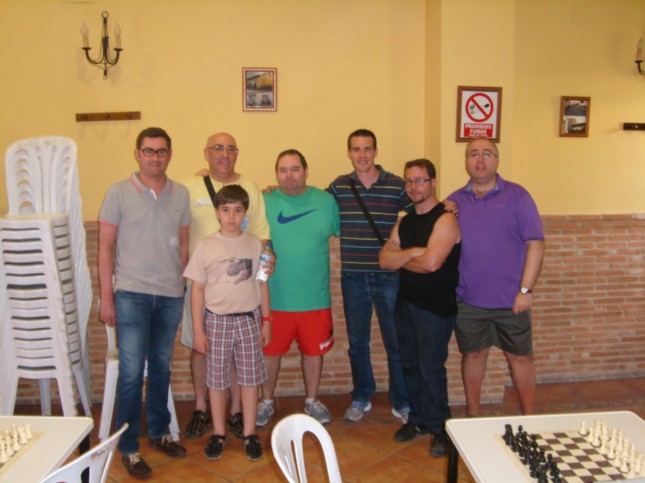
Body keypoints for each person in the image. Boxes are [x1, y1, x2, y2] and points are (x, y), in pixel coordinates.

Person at [98, 127, 189, 479]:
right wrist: (107, 298)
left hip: (170, 295)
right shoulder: (118, 192)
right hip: (131, 295)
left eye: (161, 151)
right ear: (137, 154)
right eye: (148, 151)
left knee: (162, 367)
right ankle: (128, 446)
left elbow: (183, 244)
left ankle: (159, 432)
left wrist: (183, 286)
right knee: (132, 373)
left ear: (170, 154)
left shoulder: (180, 193)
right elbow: (105, 249)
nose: (155, 157)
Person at [182, 132, 270, 439]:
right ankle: (201, 408)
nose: (224, 153)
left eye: (230, 148)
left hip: (243, 291)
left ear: (237, 153)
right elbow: (180, 230)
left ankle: (235, 412)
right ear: (206, 152)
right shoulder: (190, 187)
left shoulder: (250, 188)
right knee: (201, 347)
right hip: (202, 287)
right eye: (217, 148)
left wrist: (265, 264)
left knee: (239, 356)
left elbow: (262, 234)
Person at [448, 138, 545, 417]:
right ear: (466, 161)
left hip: (512, 301)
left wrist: (525, 290)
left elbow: (536, 244)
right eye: (473, 154)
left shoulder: (518, 196)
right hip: (469, 300)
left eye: (487, 153)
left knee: (520, 358)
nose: (480, 160)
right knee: (473, 355)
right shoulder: (454, 201)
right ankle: (473, 416)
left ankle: (529, 418)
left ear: (497, 160)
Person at [379, 159, 461, 458]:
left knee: (431, 368)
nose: (414, 186)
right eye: (409, 181)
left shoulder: (446, 219)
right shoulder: (405, 222)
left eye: (420, 180)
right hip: (406, 304)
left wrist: (401, 258)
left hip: (435, 309)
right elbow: (384, 261)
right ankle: (418, 420)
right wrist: (413, 252)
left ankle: (441, 429)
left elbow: (432, 264)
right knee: (410, 365)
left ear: (433, 182)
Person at [328, 129, 411, 423]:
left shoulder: (396, 185)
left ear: (376, 151)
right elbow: (312, 203)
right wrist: (276, 189)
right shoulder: (339, 186)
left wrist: (449, 206)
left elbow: (421, 209)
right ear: (349, 153)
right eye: (356, 149)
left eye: (367, 149)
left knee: (396, 343)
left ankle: (402, 400)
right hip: (353, 276)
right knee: (358, 343)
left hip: (389, 276)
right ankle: (362, 395)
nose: (362, 155)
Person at [256, 149, 340, 426]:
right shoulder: (264, 201)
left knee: (313, 353)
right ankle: (266, 402)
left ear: (306, 171)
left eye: (295, 169)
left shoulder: (326, 202)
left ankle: (312, 400)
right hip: (274, 299)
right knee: (270, 353)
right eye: (283, 170)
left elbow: (346, 232)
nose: (289, 175)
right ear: (276, 174)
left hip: (314, 298)